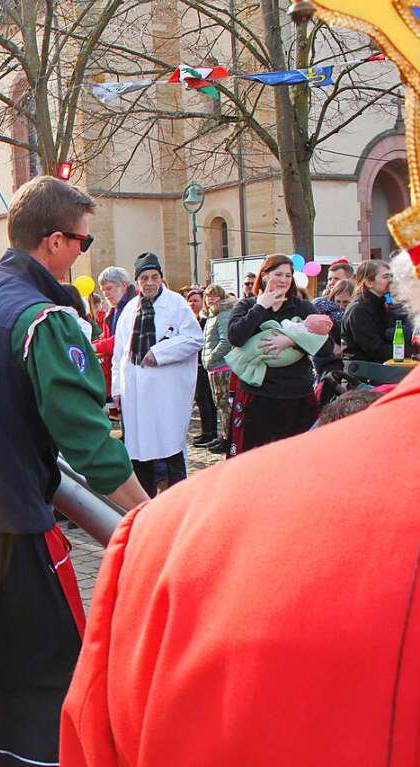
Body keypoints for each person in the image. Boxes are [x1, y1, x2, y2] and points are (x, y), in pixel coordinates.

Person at [59, 258, 420, 767]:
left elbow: (97, 736)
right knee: (163, 452)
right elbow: (229, 341)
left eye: (149, 278)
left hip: (282, 398)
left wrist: (290, 339)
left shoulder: (166, 544)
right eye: (140, 279)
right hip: (230, 402)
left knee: (178, 456)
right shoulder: (224, 308)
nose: (145, 285)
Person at [0, 176, 149, 767]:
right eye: (82, 242)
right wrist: (147, 512)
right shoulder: (42, 317)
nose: (83, 253)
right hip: (5, 510)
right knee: (49, 658)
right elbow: (87, 439)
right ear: (53, 242)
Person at [111, 252, 203, 497]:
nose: (149, 282)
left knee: (169, 447)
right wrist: (117, 390)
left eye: (154, 277)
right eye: (144, 278)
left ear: (161, 278)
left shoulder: (176, 303)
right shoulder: (131, 308)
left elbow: (195, 338)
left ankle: (178, 500)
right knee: (139, 452)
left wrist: (160, 352)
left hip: (165, 390)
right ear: (137, 281)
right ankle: (145, 502)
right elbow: (120, 353)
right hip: (135, 393)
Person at [225, 254, 330, 457]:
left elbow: (326, 347)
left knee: (296, 458)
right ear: (264, 276)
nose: (283, 280)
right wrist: (260, 307)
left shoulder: (303, 307)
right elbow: (235, 337)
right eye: (278, 274)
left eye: (288, 275)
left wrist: (293, 340)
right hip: (257, 396)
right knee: (254, 458)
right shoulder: (247, 305)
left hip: (296, 394)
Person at [92, 266, 136, 406]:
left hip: (134, 371)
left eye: (109, 288)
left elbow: (124, 339)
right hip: (116, 374)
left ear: (123, 285)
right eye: (103, 290)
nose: (106, 294)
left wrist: (94, 346)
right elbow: (107, 336)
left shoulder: (136, 305)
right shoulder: (113, 309)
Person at [200, 284, 236, 454]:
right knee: (220, 404)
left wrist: (210, 358)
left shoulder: (222, 314)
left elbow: (226, 342)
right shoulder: (211, 315)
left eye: (214, 296)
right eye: (208, 296)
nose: (210, 299)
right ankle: (224, 436)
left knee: (223, 405)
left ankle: (228, 439)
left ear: (221, 298)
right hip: (214, 367)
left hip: (221, 367)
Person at [342, 259, 395, 363]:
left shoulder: (380, 304)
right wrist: (409, 351)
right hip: (364, 371)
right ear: (369, 282)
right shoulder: (359, 310)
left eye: (391, 276)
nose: (390, 280)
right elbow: (375, 349)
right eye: (385, 277)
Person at [186, 286, 217, 447]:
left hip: (203, 363)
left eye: (195, 300)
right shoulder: (192, 319)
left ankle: (210, 433)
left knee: (205, 399)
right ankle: (207, 431)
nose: (192, 303)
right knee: (202, 399)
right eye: (189, 300)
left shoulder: (205, 319)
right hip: (195, 364)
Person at [312, 278, 353, 376]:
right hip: (325, 358)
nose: (341, 306)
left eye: (345, 302)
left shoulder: (355, 312)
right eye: (338, 301)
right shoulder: (322, 308)